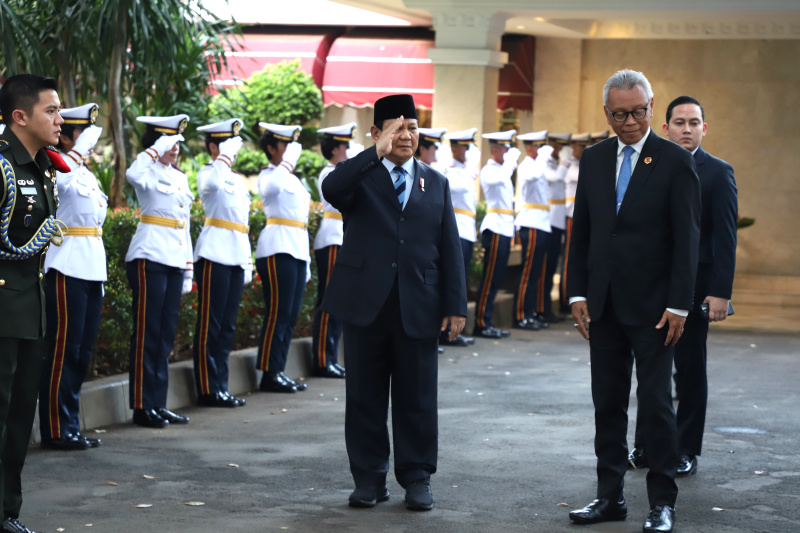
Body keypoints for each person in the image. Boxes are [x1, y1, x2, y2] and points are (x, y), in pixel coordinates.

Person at [566, 69, 701, 533]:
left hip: (656, 310)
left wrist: (680, 304)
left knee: (657, 405)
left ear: (650, 107)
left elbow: (687, 241)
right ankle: (610, 498)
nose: (630, 122)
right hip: (601, 306)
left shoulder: (674, 161)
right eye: (620, 114)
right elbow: (582, 229)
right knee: (607, 403)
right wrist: (577, 291)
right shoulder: (595, 159)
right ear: (607, 113)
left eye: (639, 112)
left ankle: (663, 503)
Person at [321, 94, 466, 511]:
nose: (407, 136)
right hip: (366, 302)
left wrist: (455, 304)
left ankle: (417, 477)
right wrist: (374, 153)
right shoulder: (360, 176)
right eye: (397, 128)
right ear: (377, 133)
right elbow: (332, 188)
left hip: (418, 303)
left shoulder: (435, 181)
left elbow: (449, 245)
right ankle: (369, 478)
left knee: (417, 396)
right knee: (364, 395)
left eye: (413, 128)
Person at [629, 96, 738, 477]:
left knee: (689, 372)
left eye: (694, 122)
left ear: (704, 129)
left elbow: (724, 238)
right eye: (679, 122)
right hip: (652, 289)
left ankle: (686, 449)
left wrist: (721, 291)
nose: (686, 129)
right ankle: (645, 445)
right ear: (666, 127)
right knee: (651, 372)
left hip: (696, 290)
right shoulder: (648, 166)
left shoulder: (718, 173)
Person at [0, 73, 67, 533]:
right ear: (19, 116)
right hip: (3, 310)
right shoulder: (2, 165)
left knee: (20, 416)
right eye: (51, 110)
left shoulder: (43, 165)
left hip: (30, 307)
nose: (60, 119)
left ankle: (7, 511)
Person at [39, 103, 106, 450]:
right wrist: (78, 151)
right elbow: (58, 184)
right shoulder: (53, 162)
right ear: (67, 137)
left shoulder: (88, 174)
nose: (89, 141)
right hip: (65, 266)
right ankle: (55, 428)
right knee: (63, 350)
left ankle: (71, 425)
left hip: (91, 266)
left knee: (81, 351)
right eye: (83, 133)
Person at [125, 114, 194, 428]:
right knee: (147, 333)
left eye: (178, 141)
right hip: (149, 256)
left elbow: (185, 225)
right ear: (156, 141)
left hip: (174, 259)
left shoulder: (179, 177)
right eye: (170, 141)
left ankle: (158, 403)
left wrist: (188, 268)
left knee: (165, 335)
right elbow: (132, 173)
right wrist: (155, 149)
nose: (175, 147)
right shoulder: (147, 169)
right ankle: (142, 405)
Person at [191, 118, 250, 408]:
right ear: (214, 146)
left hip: (235, 254)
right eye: (227, 145)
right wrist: (224, 157)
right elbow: (213, 182)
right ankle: (207, 388)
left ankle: (221, 386)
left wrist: (247, 261)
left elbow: (243, 222)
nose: (233, 151)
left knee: (227, 326)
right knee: (210, 325)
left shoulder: (237, 180)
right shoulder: (208, 173)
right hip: (214, 254)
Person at [254, 123, 310, 393]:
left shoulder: (293, 179)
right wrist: (287, 163)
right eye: (285, 145)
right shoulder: (269, 175)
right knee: (277, 312)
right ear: (271, 149)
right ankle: (269, 372)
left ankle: (279, 368)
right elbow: (271, 190)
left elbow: (303, 220)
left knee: (289, 314)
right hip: (277, 249)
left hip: (296, 248)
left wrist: (306, 260)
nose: (291, 151)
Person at [312, 123, 358, 378]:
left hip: (342, 238)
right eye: (345, 146)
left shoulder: (341, 171)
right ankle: (322, 359)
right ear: (336, 149)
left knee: (341, 301)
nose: (349, 151)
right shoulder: (328, 172)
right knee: (329, 300)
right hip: (331, 237)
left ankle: (330, 356)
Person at [472, 130, 519, 339]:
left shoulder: (501, 170)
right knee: (490, 279)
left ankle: (487, 321)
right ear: (497, 150)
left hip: (505, 227)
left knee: (497, 279)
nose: (508, 154)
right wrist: (510, 164)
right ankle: (482, 323)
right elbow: (500, 181)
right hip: (495, 228)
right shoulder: (490, 171)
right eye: (506, 149)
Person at [439, 128, 479, 347]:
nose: (469, 151)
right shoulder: (450, 170)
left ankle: (453, 330)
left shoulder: (464, 169)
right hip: (457, 230)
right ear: (455, 148)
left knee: (460, 281)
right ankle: (446, 332)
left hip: (467, 228)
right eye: (465, 147)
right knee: (454, 282)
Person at [512, 130, 551, 331]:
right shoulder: (527, 166)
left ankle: (532, 312)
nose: (542, 150)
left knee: (536, 272)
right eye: (538, 146)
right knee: (528, 273)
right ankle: (521, 315)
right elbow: (535, 176)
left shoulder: (538, 165)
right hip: (531, 222)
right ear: (529, 148)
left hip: (542, 222)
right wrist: (544, 157)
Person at [538, 132, 571, 323]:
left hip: (557, 219)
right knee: (545, 267)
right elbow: (558, 177)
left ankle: (546, 307)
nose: (558, 151)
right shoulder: (545, 165)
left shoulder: (554, 163)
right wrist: (566, 161)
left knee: (551, 267)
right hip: (548, 219)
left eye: (560, 147)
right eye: (556, 147)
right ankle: (541, 308)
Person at [559, 133, 591, 315]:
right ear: (574, 148)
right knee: (571, 256)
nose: (583, 150)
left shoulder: (579, 164)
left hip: (578, 213)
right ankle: (566, 296)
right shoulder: (569, 165)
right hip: (571, 213)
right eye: (581, 147)